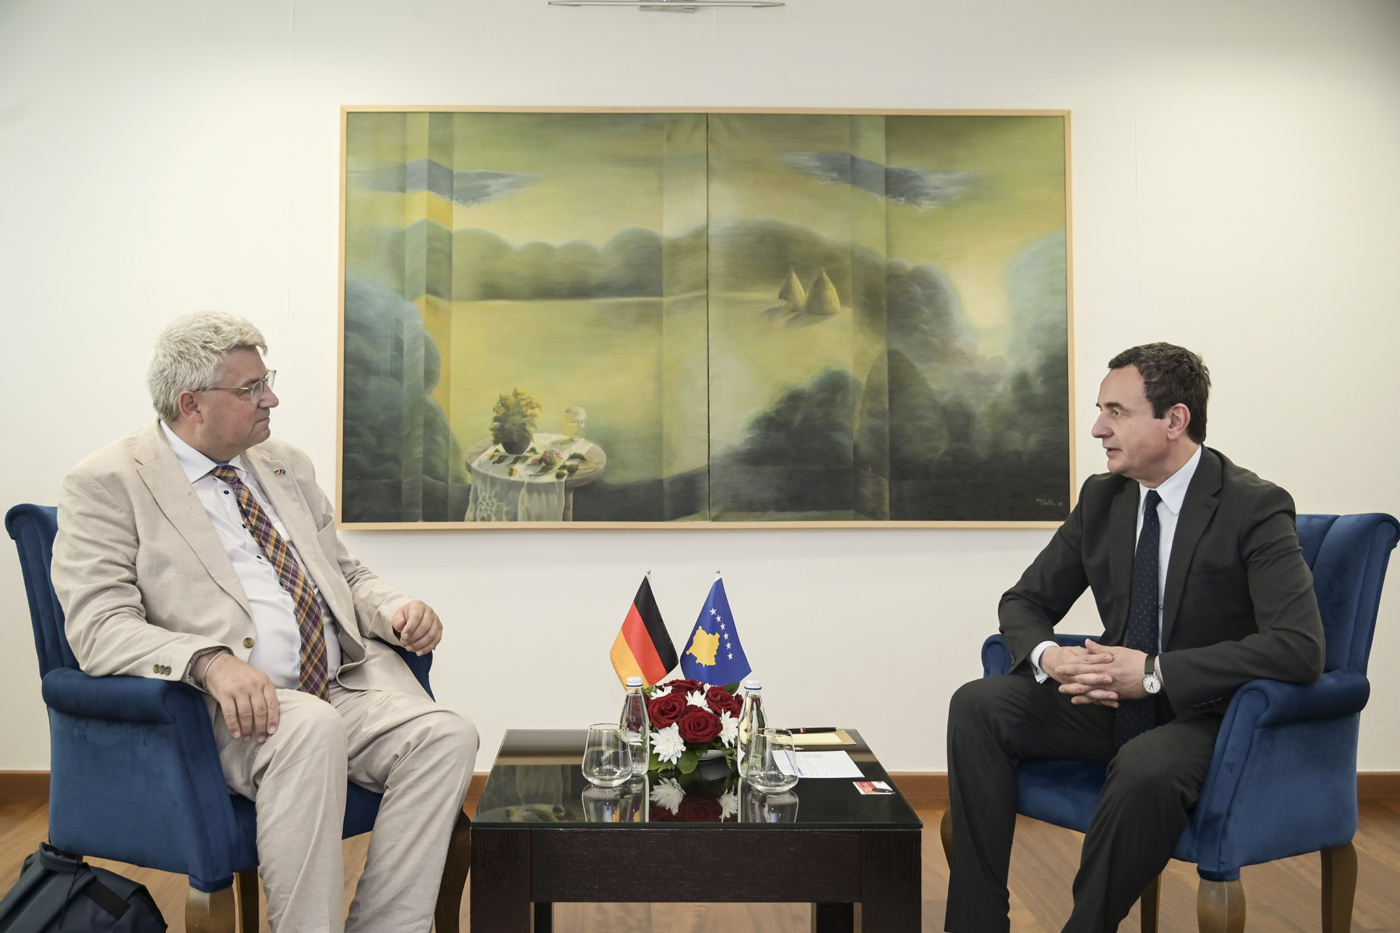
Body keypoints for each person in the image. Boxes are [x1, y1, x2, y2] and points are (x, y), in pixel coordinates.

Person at [51, 312, 478, 933]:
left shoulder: (283, 463)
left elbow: (344, 574)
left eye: (266, 380)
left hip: (337, 687)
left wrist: (394, 608)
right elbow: (99, 627)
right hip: (220, 713)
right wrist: (208, 662)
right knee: (309, 727)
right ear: (191, 403)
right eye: (250, 388)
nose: (270, 398)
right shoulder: (107, 482)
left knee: (446, 734)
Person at [944, 343, 1324, 933]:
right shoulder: (1104, 498)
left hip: (1209, 717)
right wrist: (1053, 658)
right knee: (978, 704)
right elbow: (1024, 601)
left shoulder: (1253, 506)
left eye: (1116, 412)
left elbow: (1298, 646)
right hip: (1112, 704)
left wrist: (1153, 672)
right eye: (1101, 411)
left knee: (1146, 764)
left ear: (1175, 420)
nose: (1098, 428)